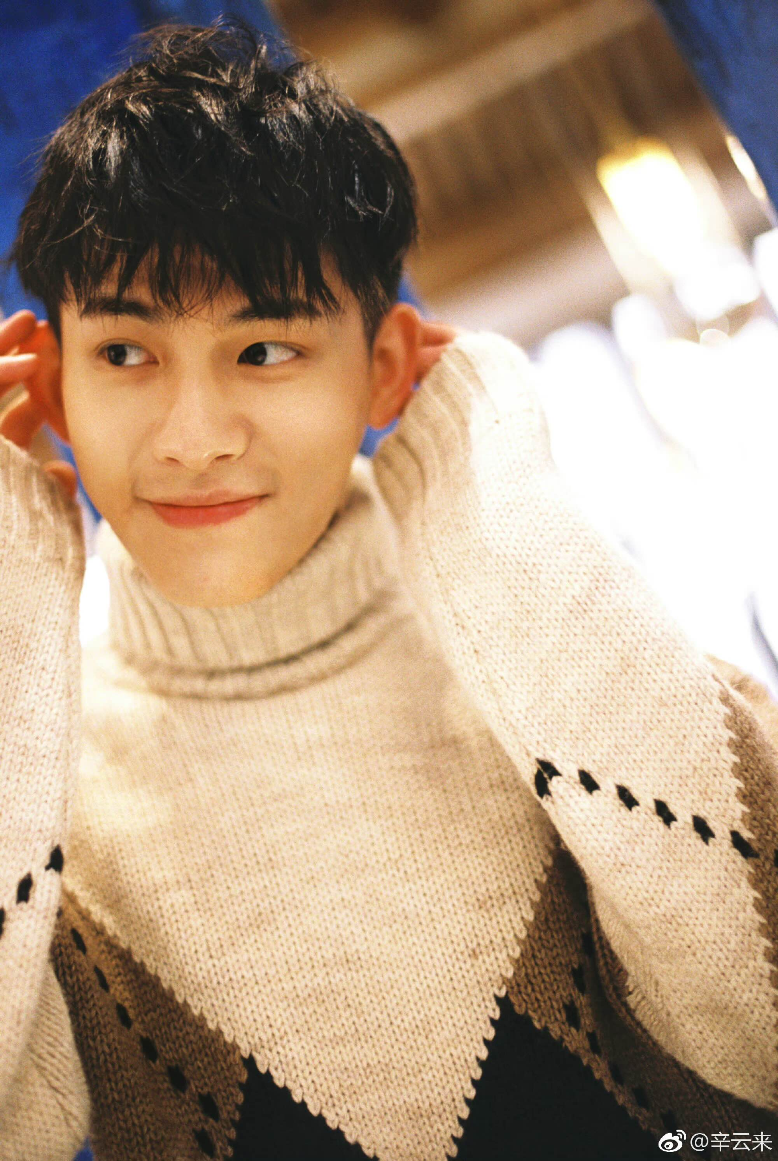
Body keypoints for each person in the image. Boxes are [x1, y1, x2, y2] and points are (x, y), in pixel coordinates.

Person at [0, 20, 776, 1161]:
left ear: (386, 367)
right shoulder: (38, 803)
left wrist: (492, 493)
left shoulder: (564, 673)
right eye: (125, 354)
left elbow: (754, 1043)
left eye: (265, 350)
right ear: (50, 386)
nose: (194, 438)